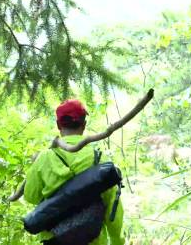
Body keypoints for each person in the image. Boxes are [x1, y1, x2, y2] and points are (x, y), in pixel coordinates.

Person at [24, 99, 125, 245]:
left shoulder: (45, 157)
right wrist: (117, 241)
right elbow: (113, 211)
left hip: (54, 240)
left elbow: (31, 196)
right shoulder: (100, 160)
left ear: (58, 125)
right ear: (84, 125)